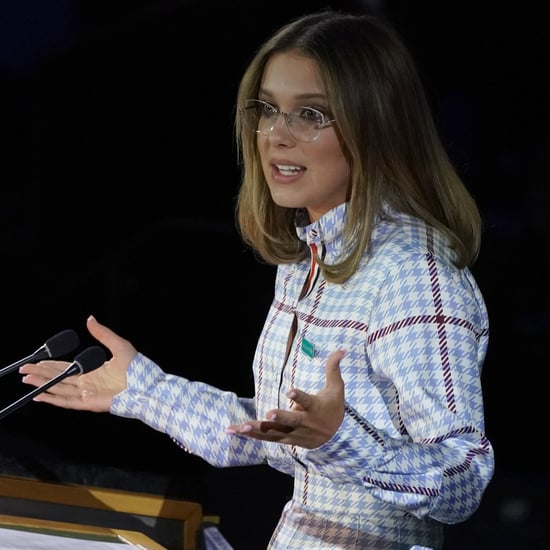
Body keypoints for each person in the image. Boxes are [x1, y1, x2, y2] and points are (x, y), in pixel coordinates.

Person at [19, 9, 494, 550]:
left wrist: (340, 440)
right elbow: (275, 437)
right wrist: (143, 392)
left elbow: (463, 480)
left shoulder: (412, 272)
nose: (276, 135)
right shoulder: (306, 258)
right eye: (267, 110)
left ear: (375, 124)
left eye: (310, 114)